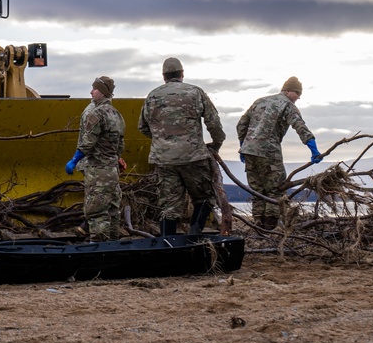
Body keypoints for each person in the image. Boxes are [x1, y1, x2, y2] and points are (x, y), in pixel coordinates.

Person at [139, 57, 226, 236]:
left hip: (164, 160)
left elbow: (142, 127)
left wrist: (162, 140)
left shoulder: (152, 96)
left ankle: (167, 245)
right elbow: (214, 123)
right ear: (182, 74)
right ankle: (194, 235)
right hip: (193, 157)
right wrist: (216, 144)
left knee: (169, 206)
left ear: (163, 76)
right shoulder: (195, 92)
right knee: (205, 197)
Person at [236, 76, 322, 230]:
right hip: (269, 152)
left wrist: (243, 146)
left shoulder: (260, 101)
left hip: (249, 152)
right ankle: (270, 228)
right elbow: (299, 126)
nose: (298, 98)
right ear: (288, 91)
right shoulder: (288, 105)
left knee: (257, 191)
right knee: (276, 190)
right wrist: (313, 148)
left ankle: (258, 226)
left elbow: (241, 124)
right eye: (297, 94)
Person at [64, 76, 126, 241]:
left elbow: (87, 143)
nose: (91, 92)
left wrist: (74, 160)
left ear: (103, 92)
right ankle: (113, 244)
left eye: (95, 89)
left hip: (97, 171)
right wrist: (116, 158)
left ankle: (99, 247)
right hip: (112, 171)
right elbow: (120, 144)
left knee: (96, 212)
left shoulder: (96, 114)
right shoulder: (117, 115)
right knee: (113, 210)